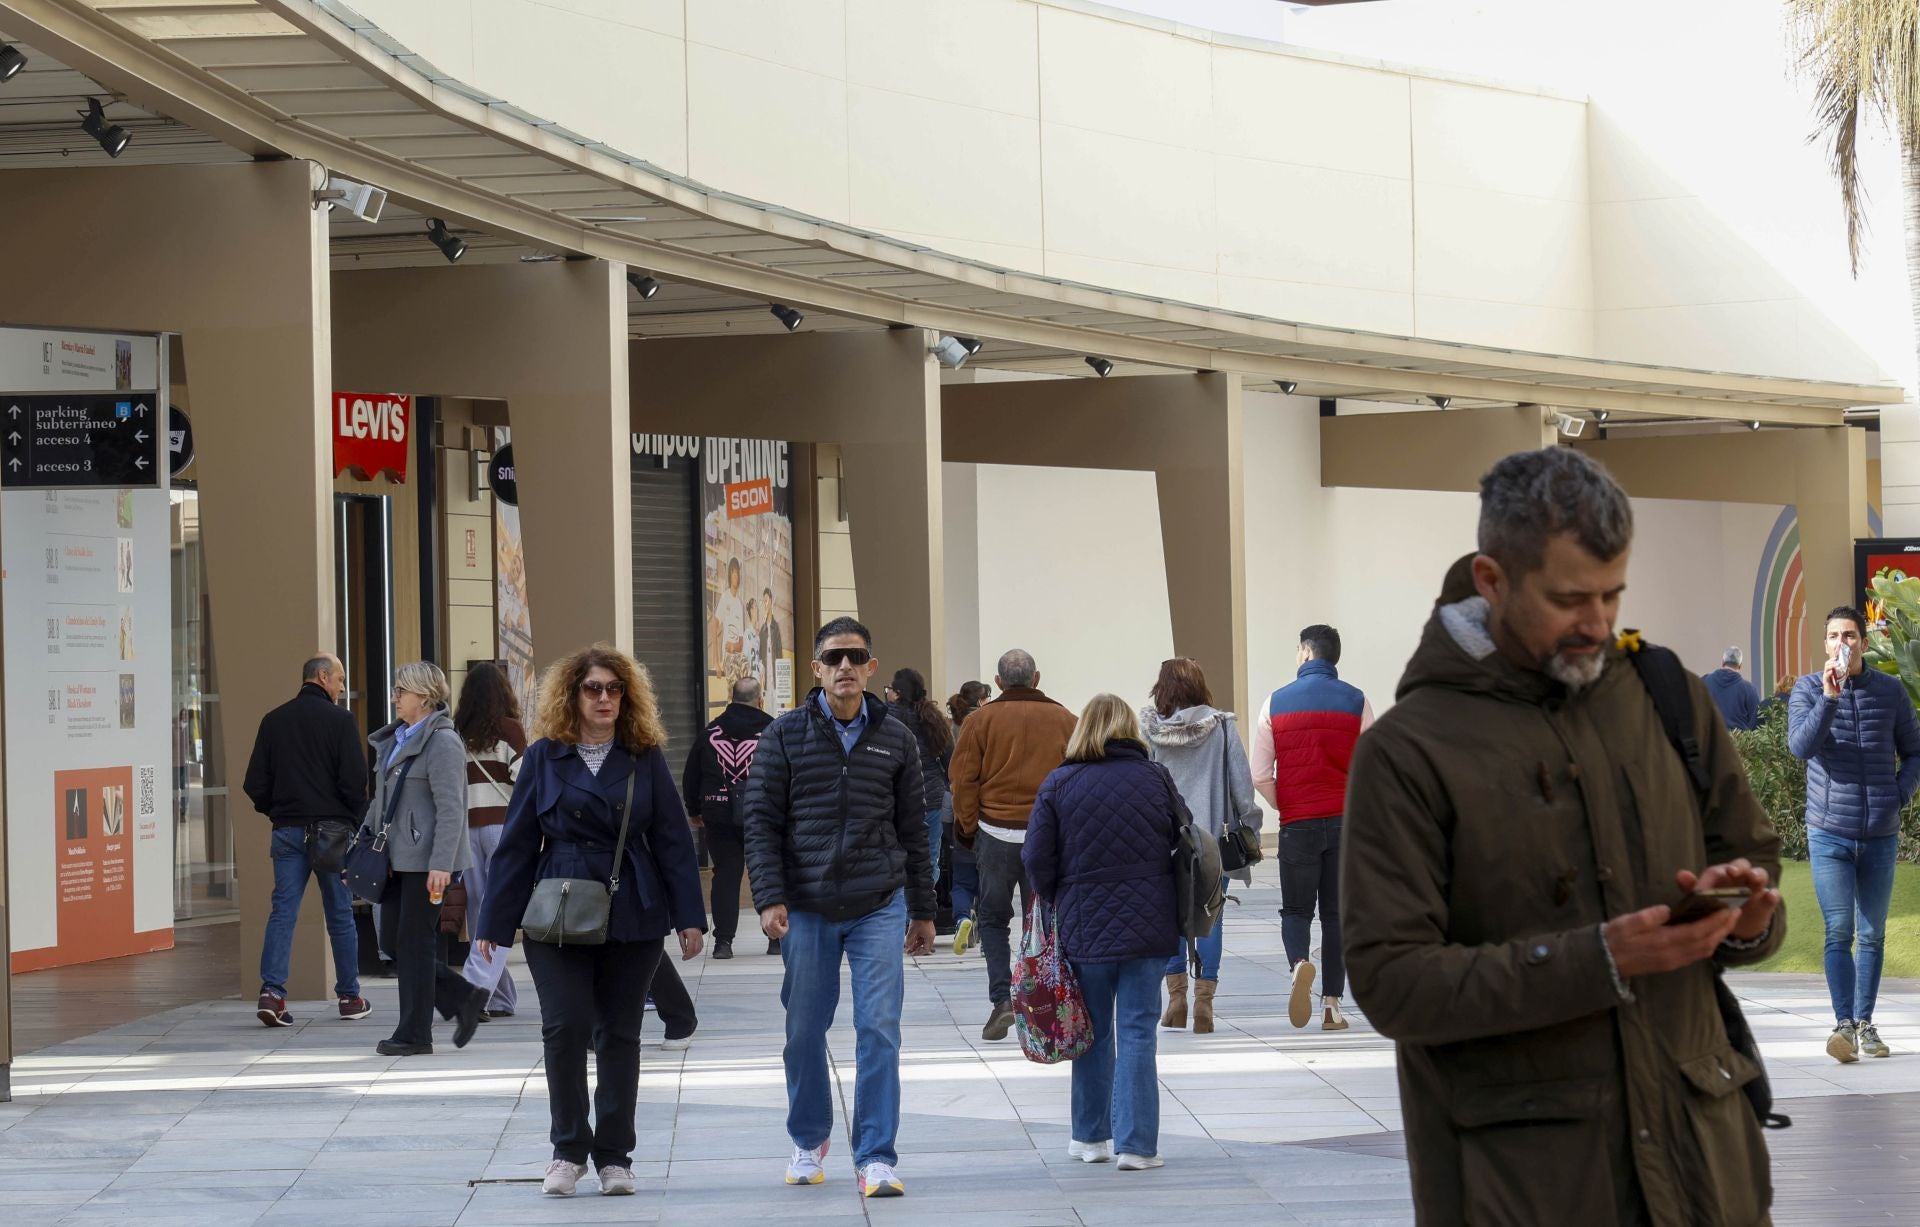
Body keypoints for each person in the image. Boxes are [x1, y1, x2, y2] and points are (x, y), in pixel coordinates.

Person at [1344, 447, 1783, 1226]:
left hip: (1704, 1172)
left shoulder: (1666, 693)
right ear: (1491, 579)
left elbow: (1752, 862)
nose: (1600, 622)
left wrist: (1749, 920)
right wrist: (1596, 959)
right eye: (1571, 598)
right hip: (1523, 1188)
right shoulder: (1407, 750)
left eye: (1614, 594)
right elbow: (1390, 981)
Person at [475, 645, 706, 1198]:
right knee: (565, 1024)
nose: (604, 698)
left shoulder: (643, 754)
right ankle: (567, 1150)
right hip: (558, 903)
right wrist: (493, 923)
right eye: (593, 689)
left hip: (632, 903)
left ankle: (615, 1157)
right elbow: (515, 845)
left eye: (614, 689)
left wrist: (689, 918)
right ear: (571, 695)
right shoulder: (544, 756)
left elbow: (673, 839)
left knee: (621, 1034)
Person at [742, 616, 936, 1198]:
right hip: (806, 904)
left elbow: (915, 830)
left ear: (871, 667)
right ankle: (808, 1139)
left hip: (879, 902)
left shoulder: (895, 736)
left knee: (878, 1028)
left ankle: (875, 1155)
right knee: (804, 1029)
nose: (845, 666)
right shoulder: (785, 734)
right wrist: (769, 895)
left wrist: (923, 910)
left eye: (855, 657)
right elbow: (761, 820)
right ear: (816, 668)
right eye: (834, 657)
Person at [1024, 694, 1181, 1171]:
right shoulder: (1155, 777)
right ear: (1130, 729)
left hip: (1084, 922)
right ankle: (1137, 1146)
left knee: (1089, 1030)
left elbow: (1035, 858)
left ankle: (1090, 1138)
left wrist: (1057, 897)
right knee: (1137, 1031)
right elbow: (1184, 839)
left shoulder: (1061, 782)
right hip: (1150, 921)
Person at [1788, 605, 1920, 1062]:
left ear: (1863, 642)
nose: (1842, 643)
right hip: (1829, 833)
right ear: (1824, 645)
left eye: (1849, 635)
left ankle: (1865, 1023)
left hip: (1880, 833)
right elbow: (1800, 748)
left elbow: (1915, 752)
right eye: (1834, 636)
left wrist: (1896, 795)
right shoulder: (1807, 689)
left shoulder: (1890, 691)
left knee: (1873, 934)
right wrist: (1829, 697)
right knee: (1838, 930)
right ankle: (1843, 1025)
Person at [949, 650, 1078, 1040]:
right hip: (1045, 836)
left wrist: (969, 828)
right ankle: (1044, 1000)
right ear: (1036, 678)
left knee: (992, 919)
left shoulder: (980, 721)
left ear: (1000, 682)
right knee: (1044, 921)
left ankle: (1001, 1001)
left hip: (994, 832)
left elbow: (963, 781)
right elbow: (1076, 777)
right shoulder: (1064, 719)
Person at [1251, 625, 1374, 1032]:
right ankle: (1331, 1007)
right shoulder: (1357, 701)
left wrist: (1282, 802)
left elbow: (1259, 773)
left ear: (1306, 652)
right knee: (1336, 916)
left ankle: (1299, 964)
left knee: (1297, 909)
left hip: (1297, 823)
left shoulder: (1276, 702)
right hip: (1344, 822)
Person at [242, 654, 371, 1027]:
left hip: (287, 831)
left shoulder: (273, 721)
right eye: (340, 679)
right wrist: (351, 820)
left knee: (283, 911)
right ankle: (349, 996)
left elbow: (254, 784)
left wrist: (278, 811)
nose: (343, 688)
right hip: (332, 833)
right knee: (340, 912)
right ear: (322, 676)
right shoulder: (342, 722)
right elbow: (354, 783)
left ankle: (272, 993)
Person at [1139, 658, 1259, 1035]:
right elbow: (1242, 786)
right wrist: (1250, 826)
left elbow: (1143, 786)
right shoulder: (1222, 727)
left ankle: (1176, 1000)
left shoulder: (1150, 732)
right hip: (1213, 844)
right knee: (1211, 917)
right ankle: (1203, 1007)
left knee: (1169, 918)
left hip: (1165, 840)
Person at [363, 661, 473, 1057]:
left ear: (423, 697)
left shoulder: (442, 742)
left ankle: (414, 1033)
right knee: (395, 941)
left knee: (414, 944)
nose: (394, 697)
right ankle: (462, 998)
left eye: (400, 691)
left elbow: (451, 808)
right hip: (394, 858)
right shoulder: (395, 739)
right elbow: (383, 801)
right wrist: (366, 844)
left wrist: (442, 863)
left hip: (426, 864)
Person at [451, 662, 528, 1021]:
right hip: (503, 830)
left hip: (467, 830)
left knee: (480, 912)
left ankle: (499, 998)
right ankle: (475, 994)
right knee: (496, 912)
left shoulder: (456, 733)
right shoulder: (510, 731)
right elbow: (525, 781)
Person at [682, 675, 775, 959]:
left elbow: (691, 775)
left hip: (718, 812)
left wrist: (694, 809)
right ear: (759, 700)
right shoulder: (773, 729)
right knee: (769, 874)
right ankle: (776, 940)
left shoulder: (710, 732)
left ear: (730, 699)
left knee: (726, 874)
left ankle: (724, 943)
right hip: (763, 814)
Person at [885, 667, 953, 889]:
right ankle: (922, 912)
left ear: (896, 692)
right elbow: (949, 760)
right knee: (929, 857)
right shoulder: (934, 719)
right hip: (931, 799)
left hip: (894, 800)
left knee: (894, 857)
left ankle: (902, 914)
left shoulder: (883, 718)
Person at [946, 680, 991, 954]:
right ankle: (987, 929)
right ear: (984, 698)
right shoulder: (985, 723)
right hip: (987, 812)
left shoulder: (950, 727)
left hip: (954, 811)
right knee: (988, 877)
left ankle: (962, 917)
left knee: (961, 878)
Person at [1703, 645, 1761, 732]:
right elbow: (1756, 723)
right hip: (1738, 743)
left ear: (1723, 662)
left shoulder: (1705, 681)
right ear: (1740, 665)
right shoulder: (1750, 689)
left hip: (1710, 740)